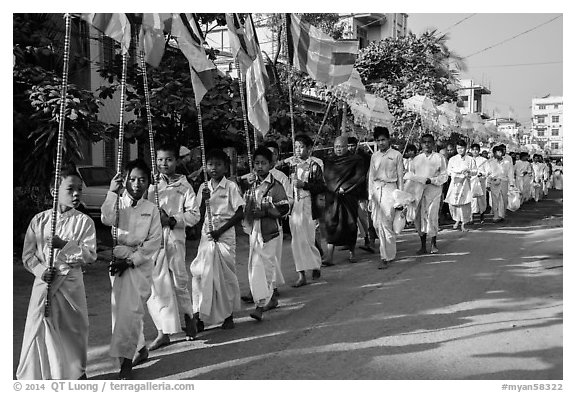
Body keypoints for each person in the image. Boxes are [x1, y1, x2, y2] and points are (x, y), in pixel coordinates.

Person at [17, 164, 96, 380]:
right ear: (54, 191)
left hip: (71, 285)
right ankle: (43, 376)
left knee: (74, 331)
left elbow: (89, 255)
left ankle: (75, 373)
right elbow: (28, 255)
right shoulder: (40, 220)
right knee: (41, 331)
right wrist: (42, 271)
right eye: (70, 189)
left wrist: (64, 245)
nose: (76, 193)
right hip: (44, 284)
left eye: (79, 189)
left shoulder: (84, 222)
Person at [101, 159, 162, 380]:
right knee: (121, 312)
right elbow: (107, 219)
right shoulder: (117, 203)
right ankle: (138, 349)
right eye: (133, 179)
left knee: (133, 312)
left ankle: (126, 362)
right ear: (124, 180)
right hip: (118, 260)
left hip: (139, 264)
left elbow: (154, 242)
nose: (137, 184)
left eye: (142, 180)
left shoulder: (152, 209)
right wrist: (111, 193)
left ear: (148, 183)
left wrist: (131, 261)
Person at [145, 144, 200, 351]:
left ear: (176, 161)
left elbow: (194, 215)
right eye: (160, 160)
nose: (163, 164)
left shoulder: (185, 187)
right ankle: (163, 331)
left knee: (179, 281)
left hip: (175, 238)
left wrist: (172, 220)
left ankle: (188, 318)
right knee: (157, 287)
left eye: (168, 159)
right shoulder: (152, 186)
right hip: (153, 240)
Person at [189, 149, 244, 331]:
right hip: (207, 235)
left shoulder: (231, 187)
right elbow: (198, 215)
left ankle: (228, 315)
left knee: (225, 277)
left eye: (218, 164)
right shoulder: (204, 188)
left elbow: (239, 212)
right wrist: (204, 200)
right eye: (210, 164)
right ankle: (199, 314)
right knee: (201, 275)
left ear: (225, 167)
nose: (214, 168)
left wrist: (221, 230)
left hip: (225, 236)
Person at [243, 147, 291, 321]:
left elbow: (284, 207)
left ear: (271, 164)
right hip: (254, 231)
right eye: (257, 163)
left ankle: (260, 305)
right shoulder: (251, 183)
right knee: (254, 267)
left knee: (267, 267)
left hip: (270, 231)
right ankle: (267, 299)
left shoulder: (275, 186)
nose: (260, 166)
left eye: (263, 163)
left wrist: (265, 212)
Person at [285, 134, 325, 287]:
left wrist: (304, 185)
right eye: (295, 147)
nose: (298, 150)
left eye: (301, 147)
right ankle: (301, 274)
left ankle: (315, 264)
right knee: (296, 241)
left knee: (308, 238)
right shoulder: (291, 165)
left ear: (309, 148)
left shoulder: (315, 165)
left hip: (308, 203)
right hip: (294, 204)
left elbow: (321, 186)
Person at [322, 136, 366, 266]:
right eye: (336, 147)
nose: (339, 149)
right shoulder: (329, 161)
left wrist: (344, 187)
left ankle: (352, 253)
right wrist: (334, 188)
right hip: (332, 197)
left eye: (341, 147)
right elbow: (327, 176)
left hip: (348, 196)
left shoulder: (355, 160)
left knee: (350, 224)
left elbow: (358, 177)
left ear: (347, 147)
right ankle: (329, 256)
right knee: (331, 224)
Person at [368, 127, 404, 269]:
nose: (381, 143)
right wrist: (370, 196)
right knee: (377, 223)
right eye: (378, 140)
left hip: (390, 189)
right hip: (377, 191)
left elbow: (400, 177)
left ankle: (387, 256)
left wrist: (400, 198)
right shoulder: (374, 156)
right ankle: (386, 251)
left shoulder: (396, 155)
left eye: (383, 140)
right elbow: (371, 176)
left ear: (389, 139)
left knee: (386, 222)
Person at [410, 134, 448, 255]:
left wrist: (431, 180)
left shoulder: (439, 158)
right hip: (419, 192)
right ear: (420, 144)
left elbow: (444, 176)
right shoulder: (416, 159)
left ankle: (433, 243)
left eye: (429, 142)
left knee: (432, 216)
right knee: (419, 218)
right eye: (424, 142)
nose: (427, 144)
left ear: (433, 143)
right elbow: (411, 176)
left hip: (434, 191)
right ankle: (422, 245)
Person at [445, 140, 477, 232]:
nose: (460, 150)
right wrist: (456, 172)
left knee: (465, 203)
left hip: (465, 184)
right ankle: (456, 220)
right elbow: (449, 171)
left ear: (466, 148)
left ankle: (464, 223)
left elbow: (475, 171)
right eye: (458, 148)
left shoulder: (470, 159)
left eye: (462, 148)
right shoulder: (453, 159)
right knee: (454, 203)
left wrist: (469, 172)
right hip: (455, 184)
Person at [485, 145, 515, 222]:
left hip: (504, 181)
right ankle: (496, 215)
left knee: (504, 199)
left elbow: (510, 173)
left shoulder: (507, 162)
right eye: (497, 152)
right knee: (495, 199)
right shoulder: (490, 162)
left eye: (500, 152)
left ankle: (502, 214)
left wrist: (511, 184)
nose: (499, 154)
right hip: (494, 182)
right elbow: (488, 174)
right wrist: (488, 184)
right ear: (494, 153)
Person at [470, 144, 488, 224]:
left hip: (481, 181)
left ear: (479, 150)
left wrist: (482, 174)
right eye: (473, 149)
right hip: (471, 182)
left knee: (481, 198)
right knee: (471, 199)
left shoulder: (483, 160)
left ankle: (482, 215)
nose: (475, 151)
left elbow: (488, 171)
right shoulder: (468, 160)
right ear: (471, 150)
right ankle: (471, 217)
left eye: (476, 149)